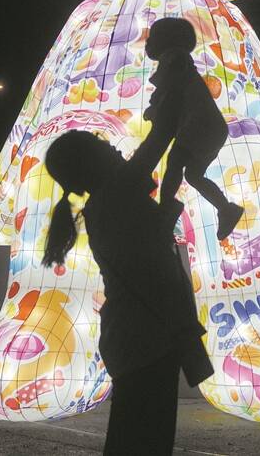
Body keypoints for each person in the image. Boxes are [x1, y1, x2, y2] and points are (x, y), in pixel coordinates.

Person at [42, 109, 213, 456]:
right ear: (91, 163)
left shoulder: (108, 205)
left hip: (136, 337)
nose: (115, 148)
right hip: (146, 337)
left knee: (134, 437)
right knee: (145, 440)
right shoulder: (116, 193)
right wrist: (178, 94)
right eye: (101, 145)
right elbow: (160, 137)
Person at [144, 17, 244, 240]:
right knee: (193, 175)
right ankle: (226, 208)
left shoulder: (175, 58)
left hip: (200, 125)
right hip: (211, 129)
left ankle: (166, 205)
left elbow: (170, 85)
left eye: (152, 37)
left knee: (175, 161)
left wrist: (155, 106)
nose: (147, 43)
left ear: (167, 40)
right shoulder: (178, 60)